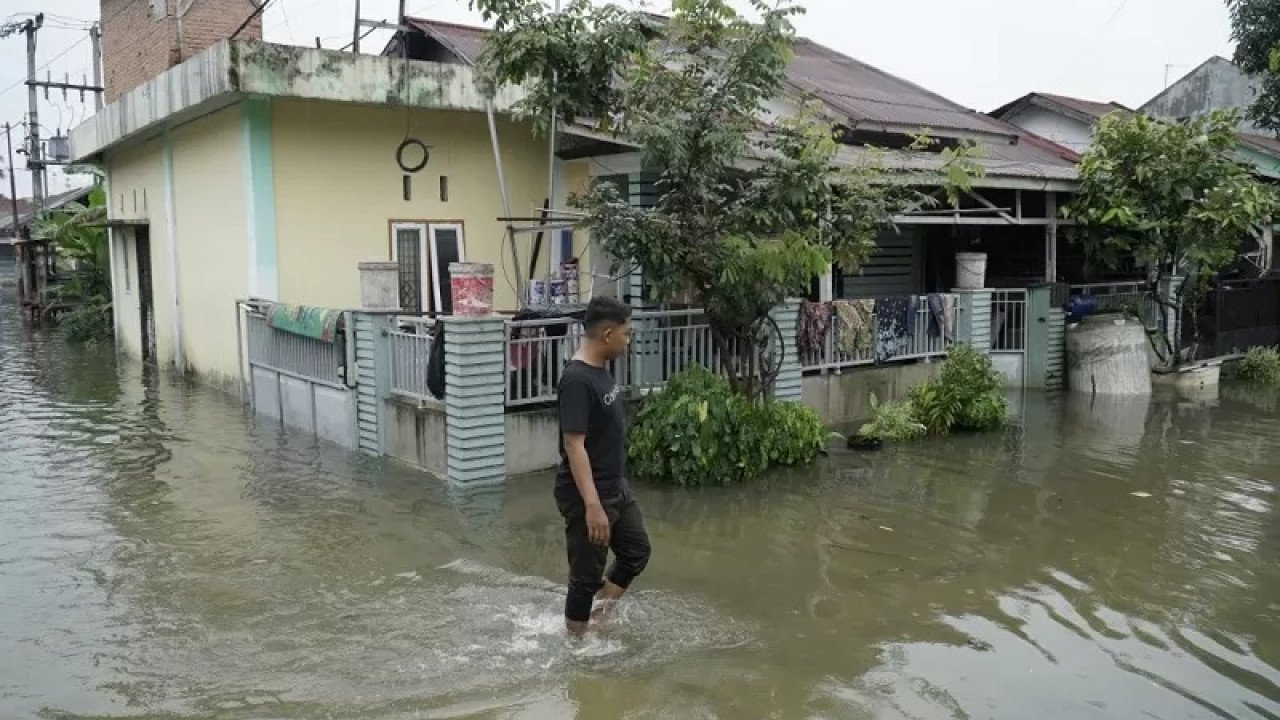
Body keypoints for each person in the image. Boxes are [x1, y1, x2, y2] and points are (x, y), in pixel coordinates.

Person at [555, 296, 651, 635]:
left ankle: (597, 619)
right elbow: (573, 444)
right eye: (626, 334)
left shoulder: (599, 372)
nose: (628, 341)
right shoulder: (577, 380)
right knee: (584, 580)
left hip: (615, 488)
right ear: (607, 334)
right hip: (588, 496)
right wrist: (592, 506)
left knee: (636, 551)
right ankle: (575, 649)